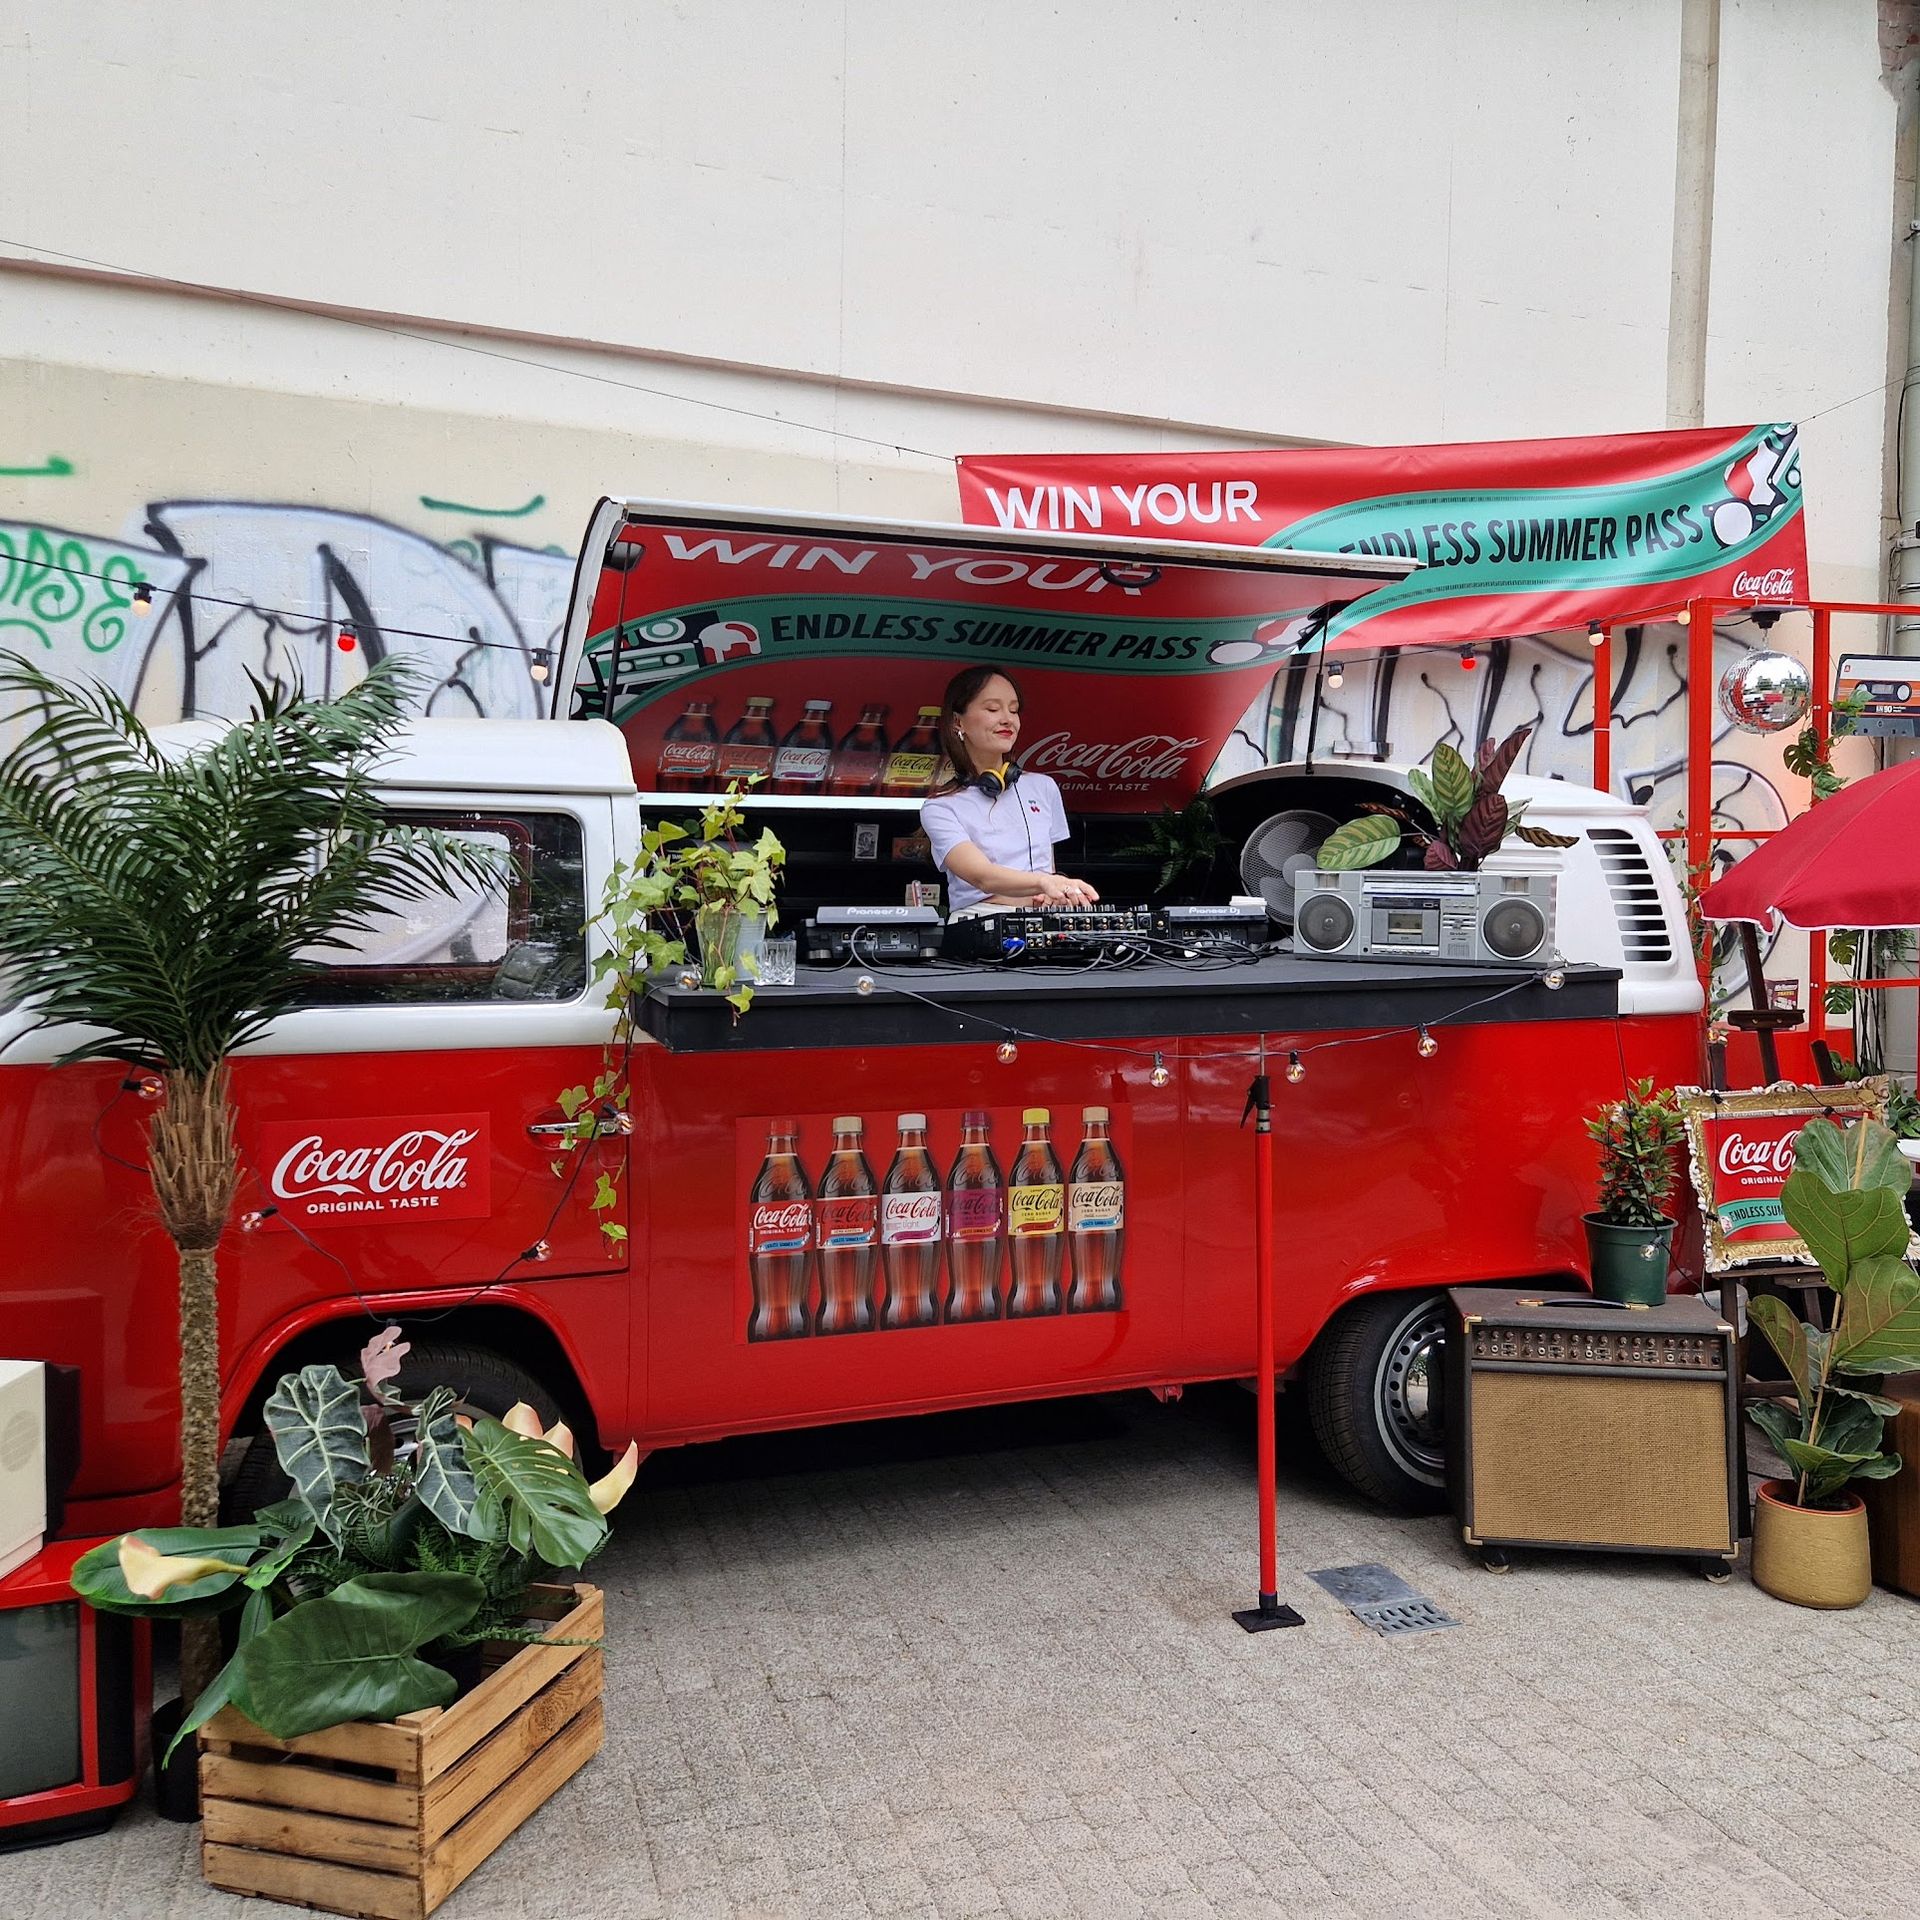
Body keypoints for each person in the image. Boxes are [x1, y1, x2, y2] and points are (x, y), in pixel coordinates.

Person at [920, 667, 1100, 914]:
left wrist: (1055, 889)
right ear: (958, 722)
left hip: (1044, 917)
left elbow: (1047, 866)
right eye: (993, 709)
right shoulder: (940, 807)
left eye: (1013, 710)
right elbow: (983, 877)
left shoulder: (1043, 787)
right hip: (980, 918)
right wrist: (1045, 881)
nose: (1007, 719)